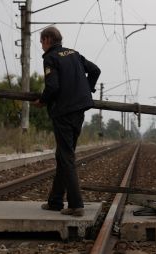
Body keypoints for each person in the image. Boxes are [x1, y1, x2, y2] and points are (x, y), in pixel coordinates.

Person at [36, 26, 101, 216]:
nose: (41, 45)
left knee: (66, 157)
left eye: (41, 41)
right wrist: (87, 90)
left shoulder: (50, 57)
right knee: (63, 156)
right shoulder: (74, 54)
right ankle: (55, 202)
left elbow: (53, 87)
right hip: (79, 111)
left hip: (63, 112)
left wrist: (42, 100)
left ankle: (76, 205)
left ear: (48, 39)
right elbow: (95, 70)